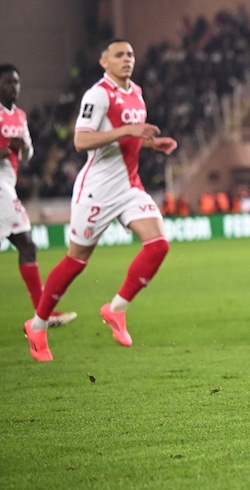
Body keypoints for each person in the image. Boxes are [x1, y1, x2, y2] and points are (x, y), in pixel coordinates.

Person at [23, 39, 178, 362]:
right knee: (76, 261)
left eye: (131, 54)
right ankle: (37, 325)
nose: (127, 59)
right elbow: (81, 140)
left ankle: (116, 309)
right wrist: (128, 131)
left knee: (159, 244)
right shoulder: (97, 94)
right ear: (104, 62)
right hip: (96, 190)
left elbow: (129, 138)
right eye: (119, 55)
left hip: (129, 186)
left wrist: (151, 144)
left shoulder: (135, 92)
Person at [1, 65, 76, 327]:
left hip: (7, 183)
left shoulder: (19, 116)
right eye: (8, 82)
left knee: (26, 244)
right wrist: (6, 148)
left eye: (17, 82)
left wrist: (21, 150)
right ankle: (43, 313)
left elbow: (28, 152)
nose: (14, 87)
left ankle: (42, 313)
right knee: (26, 243)